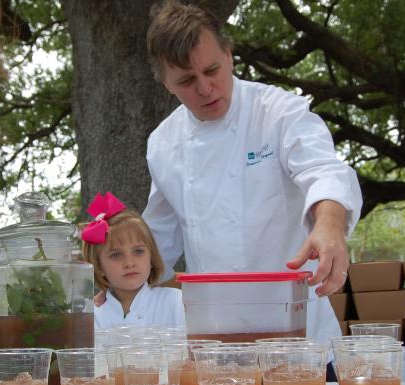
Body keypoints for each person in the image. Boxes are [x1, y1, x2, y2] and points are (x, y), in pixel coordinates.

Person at [139, 0, 363, 359]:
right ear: (167, 84)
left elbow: (324, 171)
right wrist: (105, 272)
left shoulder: (278, 112)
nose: (206, 88)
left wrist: (330, 226)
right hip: (215, 344)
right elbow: (156, 244)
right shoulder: (163, 144)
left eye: (212, 70)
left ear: (229, 55)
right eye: (186, 80)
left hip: (300, 341)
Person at [82, 192, 186, 330]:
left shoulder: (176, 302)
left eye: (138, 252)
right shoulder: (91, 315)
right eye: (116, 255)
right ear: (99, 266)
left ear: (151, 257)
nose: (129, 263)